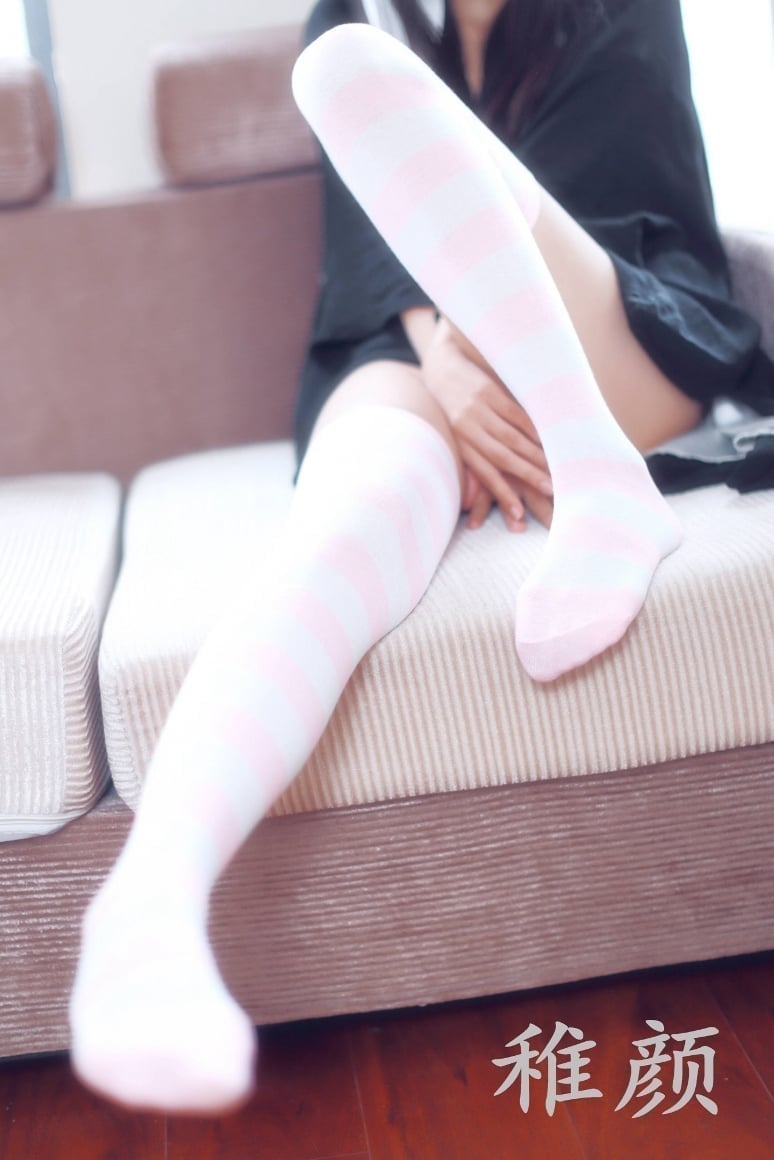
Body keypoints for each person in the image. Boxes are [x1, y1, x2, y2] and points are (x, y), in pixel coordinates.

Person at [69, 0, 774, 1116]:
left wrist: (478, 337)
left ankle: (598, 470)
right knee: (351, 512)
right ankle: (149, 903)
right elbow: (368, 243)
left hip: (610, 318)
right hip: (414, 340)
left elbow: (619, 192)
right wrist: (442, 352)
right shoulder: (353, 11)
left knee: (360, 77)